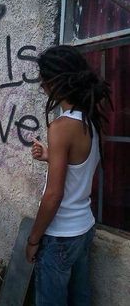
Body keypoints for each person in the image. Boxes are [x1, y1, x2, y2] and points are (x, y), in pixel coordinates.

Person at [26, 45, 112, 306]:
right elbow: (81, 164)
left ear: (55, 82)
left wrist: (33, 240)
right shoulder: (91, 120)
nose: (41, 86)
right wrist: (50, 156)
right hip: (84, 228)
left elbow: (53, 196)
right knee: (80, 298)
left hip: (60, 236)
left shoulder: (61, 126)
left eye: (42, 80)